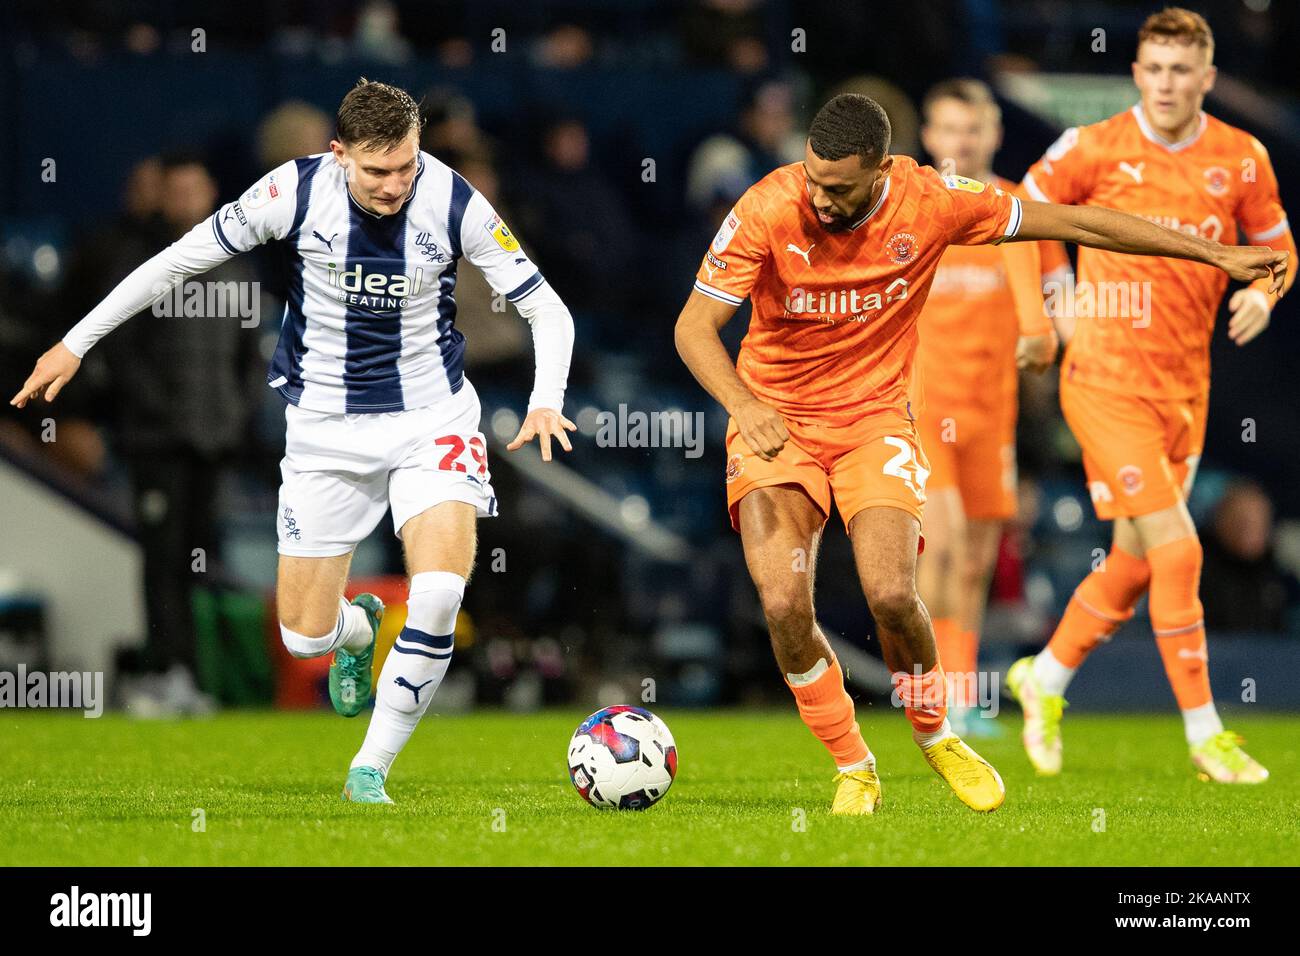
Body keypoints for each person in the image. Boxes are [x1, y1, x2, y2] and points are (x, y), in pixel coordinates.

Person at [674, 91, 1285, 816]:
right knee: (782, 604)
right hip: (776, 421)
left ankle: (936, 734)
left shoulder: (934, 200)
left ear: (880, 171)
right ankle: (854, 765)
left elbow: (1078, 222)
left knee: (896, 596)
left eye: (837, 187)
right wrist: (746, 405)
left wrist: (1216, 253)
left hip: (874, 422)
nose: (820, 198)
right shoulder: (769, 205)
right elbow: (693, 328)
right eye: (812, 178)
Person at [11, 79, 578, 804]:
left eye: (405, 166)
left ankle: (370, 767)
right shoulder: (290, 193)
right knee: (304, 635)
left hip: (430, 419)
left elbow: (547, 310)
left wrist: (547, 399)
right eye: (376, 171)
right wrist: (74, 343)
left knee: (438, 594)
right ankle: (354, 630)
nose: (394, 186)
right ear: (338, 155)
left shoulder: (454, 199)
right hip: (323, 431)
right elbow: (177, 262)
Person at [1006, 7, 1295, 784]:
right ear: (1136, 73)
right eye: (1154, 69)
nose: (1166, 84)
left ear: (1207, 77)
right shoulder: (1094, 147)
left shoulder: (1242, 158)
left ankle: (1046, 676)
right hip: (1103, 378)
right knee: (1179, 547)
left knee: (1135, 565)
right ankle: (1207, 737)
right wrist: (1054, 297)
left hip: (1184, 387)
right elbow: (1024, 215)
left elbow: (1277, 251)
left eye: (1181, 70)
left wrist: (1266, 296)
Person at [914, 78, 1067, 737]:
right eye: (949, 129)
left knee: (976, 560)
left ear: (995, 134)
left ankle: (960, 694)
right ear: (928, 136)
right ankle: (930, 694)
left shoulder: (1021, 215)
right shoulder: (911, 211)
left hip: (992, 414)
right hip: (920, 408)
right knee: (940, 546)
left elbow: (1058, 304)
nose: (961, 141)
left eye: (972, 129)